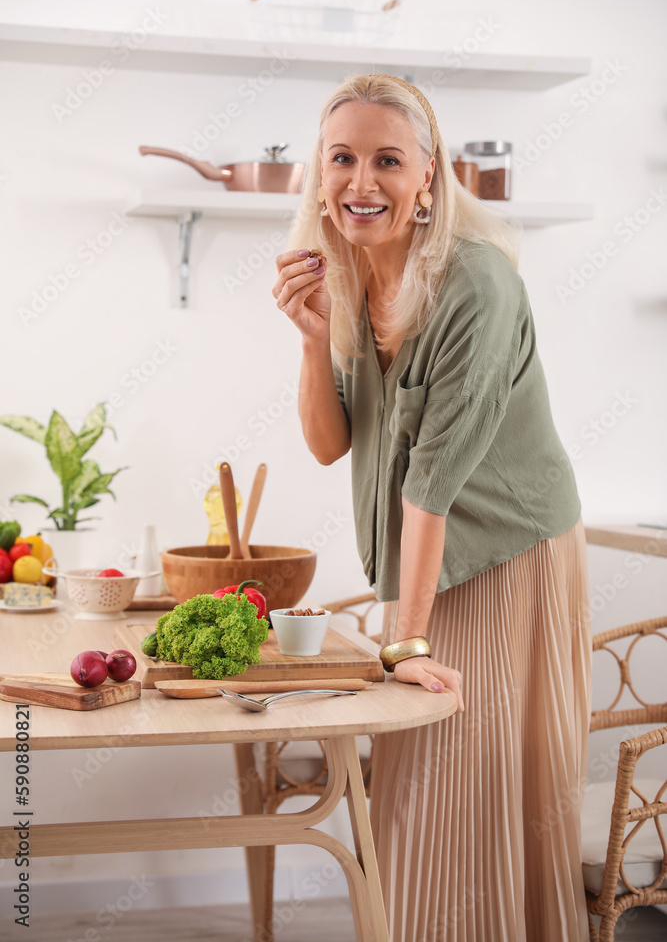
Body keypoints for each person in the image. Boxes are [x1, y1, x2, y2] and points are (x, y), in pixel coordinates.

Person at [272, 73, 591, 942]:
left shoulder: (476, 288)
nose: (359, 182)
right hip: (423, 557)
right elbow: (330, 443)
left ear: (428, 176)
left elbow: (431, 481)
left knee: (459, 783)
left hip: (502, 553)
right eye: (342, 158)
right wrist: (311, 339)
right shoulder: (349, 272)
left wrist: (402, 643)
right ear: (319, 170)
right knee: (422, 789)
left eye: (386, 160)